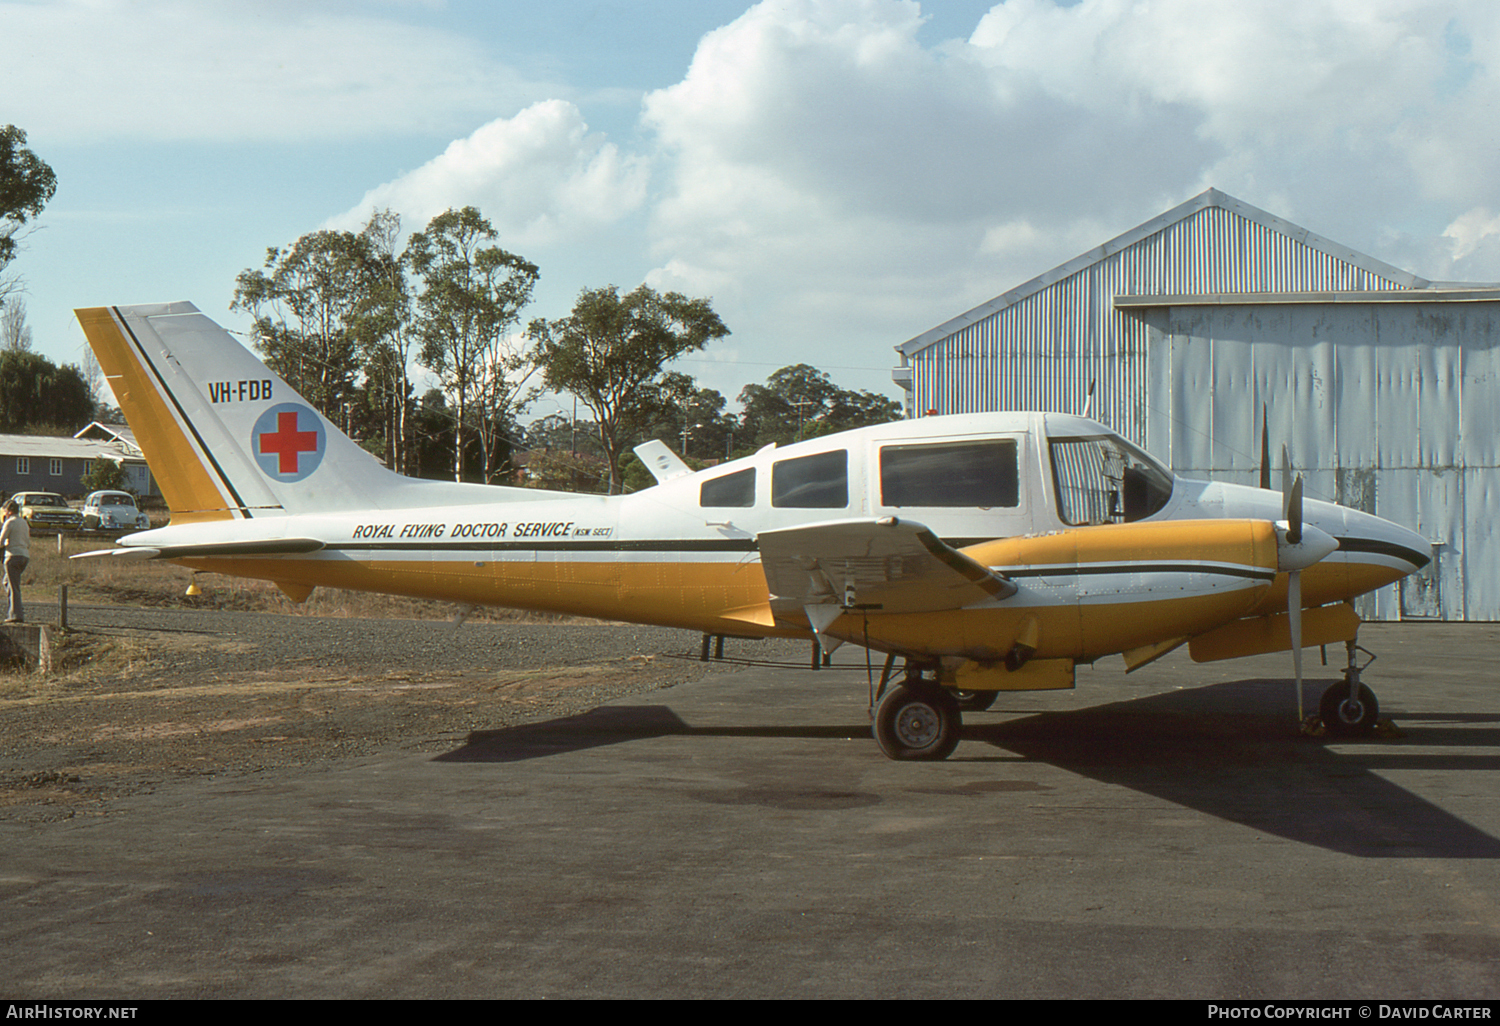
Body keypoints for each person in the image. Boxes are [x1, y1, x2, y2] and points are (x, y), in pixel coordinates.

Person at [1, 499, 29, 624]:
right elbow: (27, 541)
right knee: (7, 581)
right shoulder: (23, 522)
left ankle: (15, 614)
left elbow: (1, 541)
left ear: (9, 510)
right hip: (24, 555)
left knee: (13, 587)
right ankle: (17, 607)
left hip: (12, 556)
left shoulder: (10, 522)